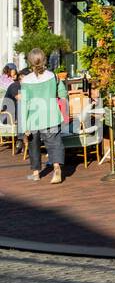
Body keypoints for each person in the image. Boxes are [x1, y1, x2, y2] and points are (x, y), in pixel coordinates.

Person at [21, 49, 67, 184]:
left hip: (33, 119)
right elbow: (63, 94)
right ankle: (57, 167)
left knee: (33, 145)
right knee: (54, 144)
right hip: (51, 116)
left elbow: (24, 104)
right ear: (44, 60)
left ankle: (35, 173)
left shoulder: (26, 80)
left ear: (29, 62)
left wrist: (24, 126)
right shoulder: (53, 76)